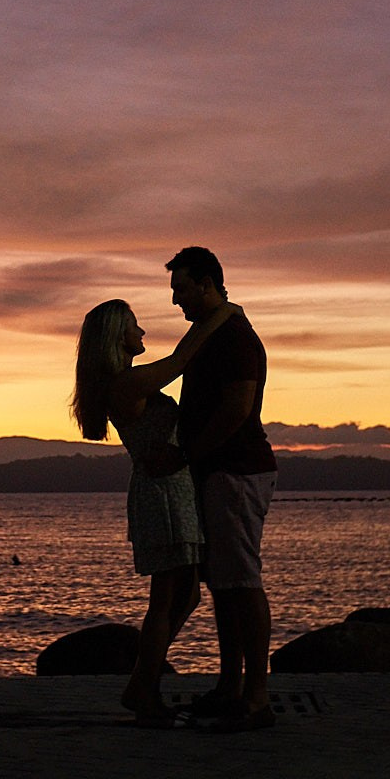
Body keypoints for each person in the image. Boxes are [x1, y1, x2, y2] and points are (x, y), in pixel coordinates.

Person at [71, 294, 236, 727]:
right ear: (116, 336)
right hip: (162, 493)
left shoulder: (127, 382)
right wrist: (221, 314)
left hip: (171, 488)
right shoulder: (125, 383)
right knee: (165, 600)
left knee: (187, 594)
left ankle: (140, 683)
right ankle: (144, 690)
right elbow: (180, 361)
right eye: (133, 324)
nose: (141, 331)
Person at [165, 245, 277, 732]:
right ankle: (231, 687)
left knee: (242, 581)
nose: (176, 300)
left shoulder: (232, 337)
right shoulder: (213, 332)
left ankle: (256, 697)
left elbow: (237, 408)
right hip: (220, 472)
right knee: (225, 584)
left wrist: (189, 455)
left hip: (236, 472)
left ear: (206, 284)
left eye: (181, 288)